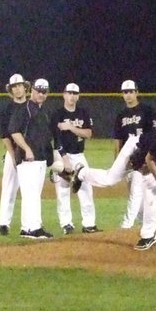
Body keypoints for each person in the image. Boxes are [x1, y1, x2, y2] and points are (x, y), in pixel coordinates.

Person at [66, 118, 156, 251]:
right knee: (110, 178)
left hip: (150, 157)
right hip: (135, 147)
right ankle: (81, 172)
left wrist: (154, 169)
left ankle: (148, 236)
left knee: (153, 194)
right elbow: (148, 159)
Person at [8, 78, 55, 240]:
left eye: (44, 91)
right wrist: (26, 149)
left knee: (34, 193)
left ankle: (27, 227)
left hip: (40, 158)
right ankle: (33, 228)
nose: (41, 94)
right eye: (38, 90)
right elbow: (14, 131)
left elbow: (47, 137)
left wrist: (50, 159)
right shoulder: (24, 109)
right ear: (32, 90)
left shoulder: (45, 111)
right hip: (28, 160)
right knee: (31, 194)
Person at [50, 83, 99, 234]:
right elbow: (56, 139)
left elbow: (89, 134)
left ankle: (89, 224)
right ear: (64, 95)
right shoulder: (57, 114)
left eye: (75, 93)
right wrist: (64, 159)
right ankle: (66, 224)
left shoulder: (83, 113)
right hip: (61, 154)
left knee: (86, 188)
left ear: (78, 96)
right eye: (69, 93)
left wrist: (71, 127)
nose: (72, 96)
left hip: (79, 155)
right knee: (63, 190)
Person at [113, 79, 156, 228]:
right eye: (125, 92)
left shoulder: (147, 110)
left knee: (137, 192)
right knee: (136, 193)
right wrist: (119, 163)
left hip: (144, 157)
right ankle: (142, 224)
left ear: (137, 92)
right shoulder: (121, 116)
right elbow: (118, 141)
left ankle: (126, 224)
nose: (128, 95)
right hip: (128, 158)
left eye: (131, 91)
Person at [0, 73, 29, 236]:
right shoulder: (7, 110)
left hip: (31, 155)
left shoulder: (32, 107)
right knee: (8, 188)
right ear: (11, 90)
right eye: (14, 87)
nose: (17, 89)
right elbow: (5, 136)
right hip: (13, 152)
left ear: (25, 87)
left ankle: (29, 223)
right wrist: (12, 155)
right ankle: (3, 223)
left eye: (19, 85)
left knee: (29, 190)